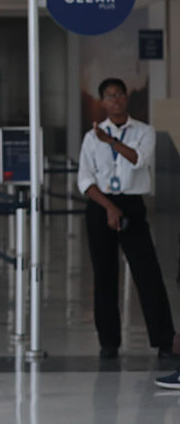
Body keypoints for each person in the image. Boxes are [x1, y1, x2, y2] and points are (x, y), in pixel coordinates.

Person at [78, 77, 180, 360]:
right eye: (109, 96)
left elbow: (139, 160)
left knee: (147, 273)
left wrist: (109, 140)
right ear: (103, 102)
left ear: (126, 98)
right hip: (101, 206)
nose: (115, 100)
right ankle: (108, 342)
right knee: (105, 274)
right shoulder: (90, 138)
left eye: (119, 94)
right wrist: (109, 207)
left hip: (132, 205)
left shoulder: (143, 131)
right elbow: (85, 180)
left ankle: (164, 340)